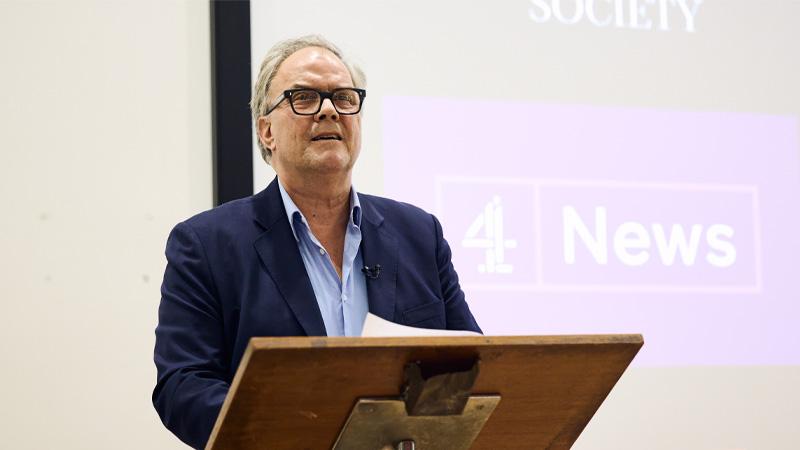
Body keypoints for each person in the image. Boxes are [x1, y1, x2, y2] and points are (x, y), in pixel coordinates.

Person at [152, 35, 481, 449]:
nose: (329, 110)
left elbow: (475, 368)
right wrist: (292, 435)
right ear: (266, 131)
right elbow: (184, 385)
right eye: (304, 98)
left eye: (344, 98)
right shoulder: (206, 244)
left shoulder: (419, 234)